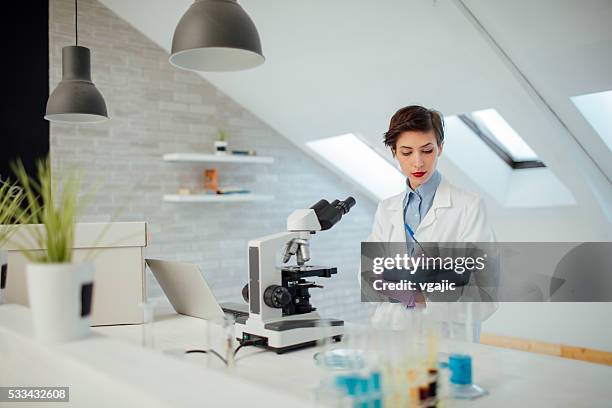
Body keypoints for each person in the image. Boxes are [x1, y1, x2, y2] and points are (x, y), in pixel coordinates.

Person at [365, 105, 497, 339]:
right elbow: (368, 276)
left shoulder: (468, 207)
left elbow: (486, 291)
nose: (418, 163)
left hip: (447, 337)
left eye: (427, 150)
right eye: (406, 152)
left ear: (440, 148)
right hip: (392, 331)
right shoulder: (387, 209)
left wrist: (424, 298)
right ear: (394, 152)